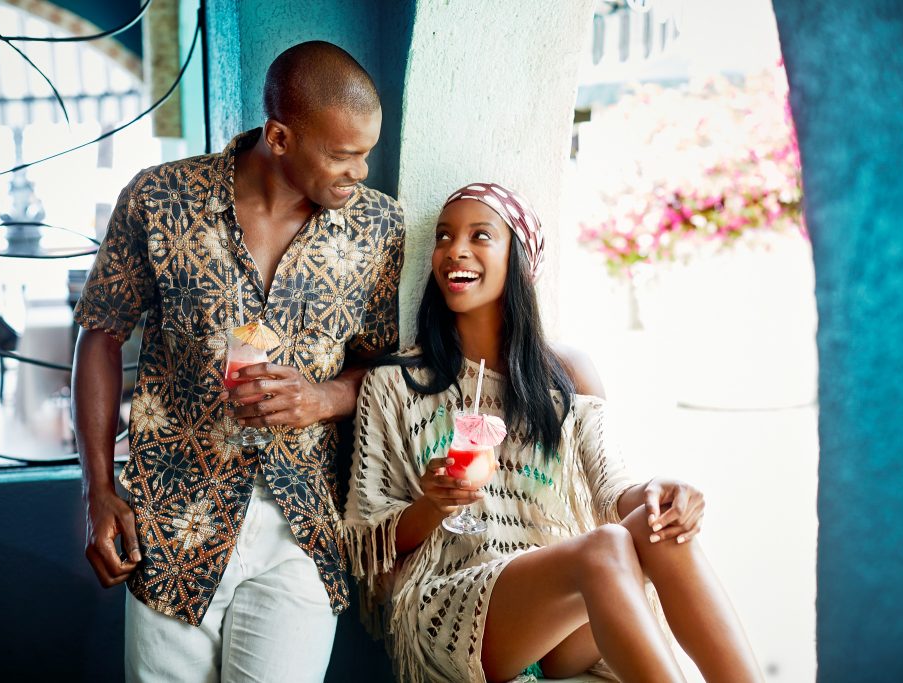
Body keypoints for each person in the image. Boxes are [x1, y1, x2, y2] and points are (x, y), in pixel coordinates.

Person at [72, 41, 404, 682]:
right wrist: (99, 491)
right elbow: (101, 335)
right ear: (280, 137)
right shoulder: (159, 200)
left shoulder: (378, 229)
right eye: (343, 155)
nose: (360, 172)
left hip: (303, 527)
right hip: (171, 523)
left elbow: (384, 369)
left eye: (367, 152)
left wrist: (321, 397)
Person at [344, 183, 763, 683]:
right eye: (444, 236)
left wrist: (657, 494)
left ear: (519, 261)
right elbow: (370, 539)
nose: (455, 250)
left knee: (659, 525)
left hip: (560, 609)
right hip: (454, 610)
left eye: (481, 236)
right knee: (604, 546)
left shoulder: (566, 372)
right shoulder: (393, 384)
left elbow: (613, 492)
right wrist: (435, 502)